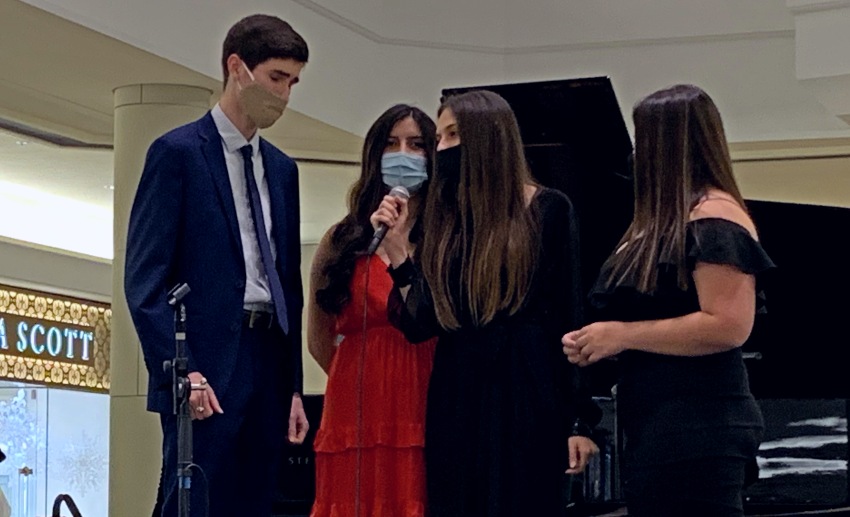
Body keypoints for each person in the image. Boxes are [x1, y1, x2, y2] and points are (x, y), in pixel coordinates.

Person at [372, 90, 600, 516]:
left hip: (528, 389)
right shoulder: (446, 220)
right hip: (458, 389)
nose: (442, 148)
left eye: (452, 134)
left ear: (487, 137)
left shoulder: (549, 208)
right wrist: (401, 251)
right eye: (439, 138)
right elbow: (423, 321)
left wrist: (580, 420)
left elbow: (570, 319)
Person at [124, 14, 309, 517]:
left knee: (255, 500)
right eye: (276, 78)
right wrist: (182, 372)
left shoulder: (282, 170)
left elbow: (287, 282)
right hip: (202, 363)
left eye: (293, 82)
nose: (285, 95)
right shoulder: (177, 154)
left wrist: (293, 385)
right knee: (192, 499)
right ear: (237, 68)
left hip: (268, 358)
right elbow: (145, 282)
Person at [562, 84, 774, 517]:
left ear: (668, 144)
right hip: (659, 424)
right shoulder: (661, 220)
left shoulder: (715, 218)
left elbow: (729, 325)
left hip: (699, 425)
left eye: (643, 140)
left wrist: (622, 335)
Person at [308, 104, 437, 516]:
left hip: (427, 395)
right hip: (355, 404)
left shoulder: (449, 235)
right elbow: (318, 337)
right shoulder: (341, 238)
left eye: (416, 145)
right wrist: (362, 377)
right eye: (391, 144)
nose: (404, 153)